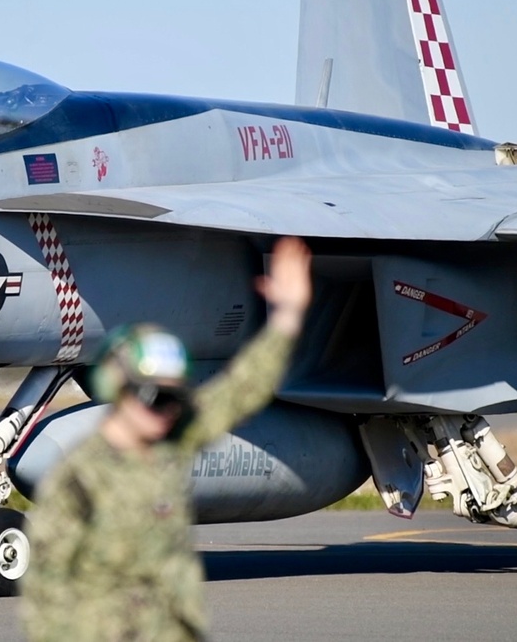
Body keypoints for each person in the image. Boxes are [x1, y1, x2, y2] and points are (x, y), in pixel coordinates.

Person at [20, 236, 312, 642]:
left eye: (173, 397)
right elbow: (45, 596)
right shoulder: (79, 479)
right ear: (117, 388)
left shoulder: (170, 442)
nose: (166, 409)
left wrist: (288, 318)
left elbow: (239, 391)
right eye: (153, 396)